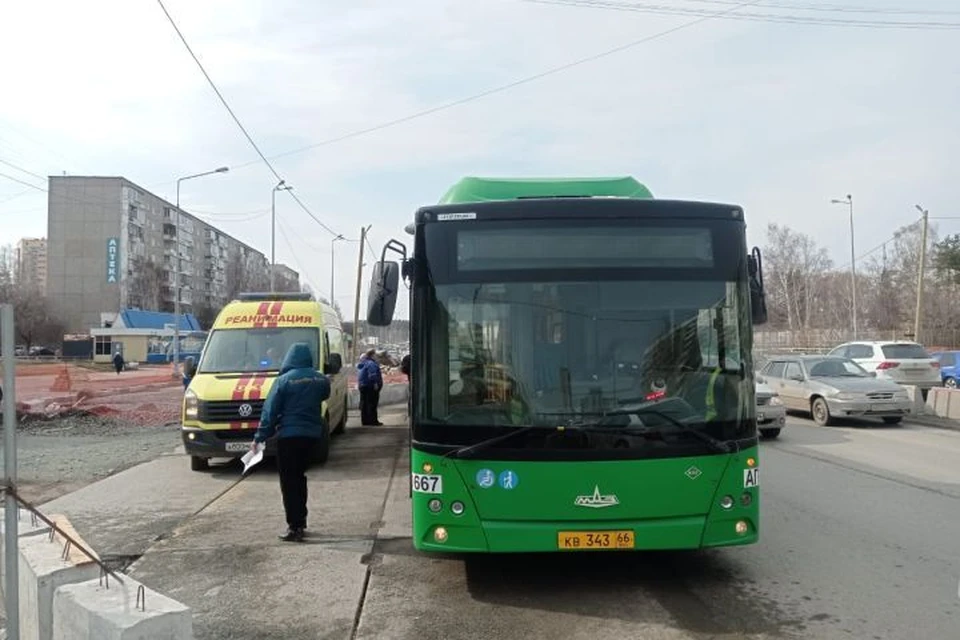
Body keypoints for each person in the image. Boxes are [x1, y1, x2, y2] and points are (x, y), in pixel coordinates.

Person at [253, 342, 331, 542]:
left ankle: (295, 526)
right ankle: (301, 521)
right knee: (300, 477)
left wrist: (260, 437)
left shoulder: (283, 381)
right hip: (313, 436)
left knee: (289, 482)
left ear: (289, 358)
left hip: (289, 437)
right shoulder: (321, 380)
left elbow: (269, 413)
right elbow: (324, 396)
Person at [357, 348, 383, 426]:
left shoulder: (363, 363)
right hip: (370, 386)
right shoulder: (371, 363)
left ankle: (365, 421)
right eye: (375, 355)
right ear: (372, 355)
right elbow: (372, 374)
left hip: (363, 386)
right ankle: (373, 421)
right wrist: (375, 384)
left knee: (364, 404)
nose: (376, 356)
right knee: (372, 403)